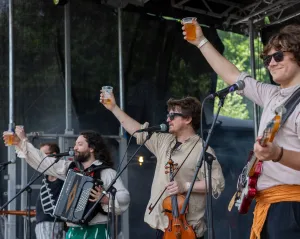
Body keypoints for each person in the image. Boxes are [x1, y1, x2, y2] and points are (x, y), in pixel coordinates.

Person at [182, 20, 300, 239]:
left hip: (291, 205)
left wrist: (278, 154)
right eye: (267, 59)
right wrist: (201, 42)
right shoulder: (272, 94)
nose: (271, 63)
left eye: (278, 56)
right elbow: (233, 75)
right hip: (270, 205)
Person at [99, 92, 225, 238]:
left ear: (188, 119)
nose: (167, 119)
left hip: (188, 230)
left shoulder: (203, 150)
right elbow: (137, 130)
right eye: (168, 115)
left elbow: (217, 183)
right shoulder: (165, 141)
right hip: (163, 226)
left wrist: (185, 186)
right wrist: (114, 108)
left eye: (172, 116)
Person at [3, 127, 130, 239]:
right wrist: (21, 143)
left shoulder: (106, 172)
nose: (75, 148)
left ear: (91, 148)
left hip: (96, 231)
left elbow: (124, 196)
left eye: (80, 144)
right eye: (75, 144)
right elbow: (43, 161)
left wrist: (105, 199)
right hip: (73, 232)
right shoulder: (70, 168)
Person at [35, 142, 65, 239]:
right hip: (44, 222)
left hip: (51, 222)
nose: (41, 158)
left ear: (54, 155)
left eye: (43, 154)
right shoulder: (46, 173)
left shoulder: (61, 172)